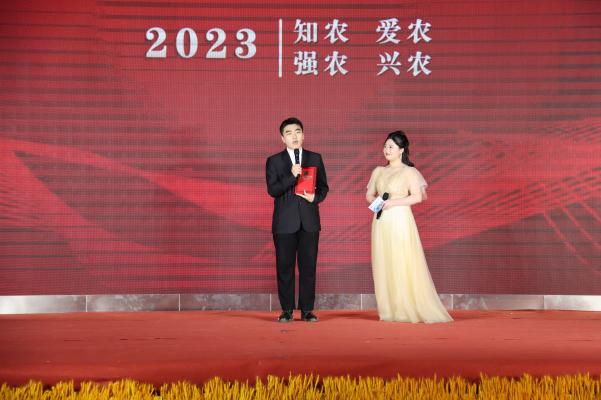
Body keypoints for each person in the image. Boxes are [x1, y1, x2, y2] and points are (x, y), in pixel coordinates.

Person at [366, 131, 452, 323]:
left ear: (401, 150)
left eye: (391, 147)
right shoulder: (378, 171)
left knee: (402, 261)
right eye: (385, 146)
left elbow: (418, 196)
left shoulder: (409, 172)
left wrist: (393, 203)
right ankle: (389, 310)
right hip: (380, 221)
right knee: (384, 261)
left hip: (400, 220)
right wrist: (377, 202)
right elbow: (369, 194)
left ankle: (405, 307)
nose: (387, 150)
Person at [266, 117, 329, 323]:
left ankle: (307, 310)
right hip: (284, 223)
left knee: (308, 267)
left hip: (309, 221)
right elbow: (273, 190)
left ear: (303, 135)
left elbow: (324, 187)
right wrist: (292, 176)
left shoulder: (315, 158)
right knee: (285, 268)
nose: (294, 136)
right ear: (282, 138)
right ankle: (286, 310)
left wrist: (315, 198)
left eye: (298, 131)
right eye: (289, 133)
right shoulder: (274, 161)